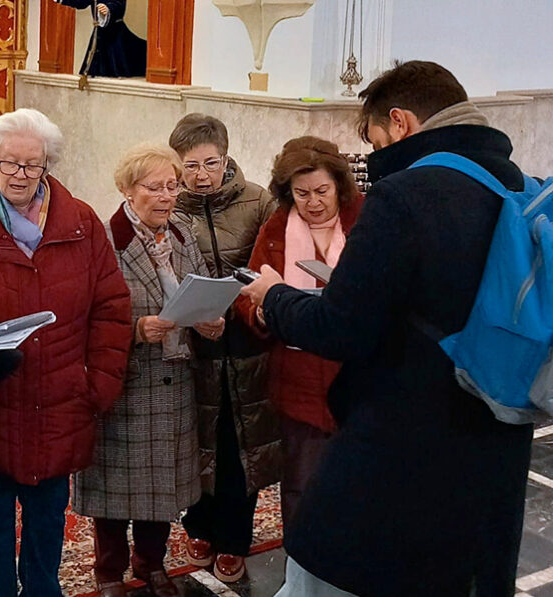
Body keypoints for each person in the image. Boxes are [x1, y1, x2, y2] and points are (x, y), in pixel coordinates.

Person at [241, 61, 535, 597]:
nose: (376, 158)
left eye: (376, 141)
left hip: (406, 446)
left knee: (332, 574)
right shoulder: (513, 181)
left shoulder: (404, 195)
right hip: (495, 434)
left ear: (400, 123)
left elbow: (342, 329)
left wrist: (273, 296)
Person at [0, 108, 133, 597]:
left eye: (31, 165)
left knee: (47, 517)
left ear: (47, 166)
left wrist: (97, 384)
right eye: (8, 164)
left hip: (62, 397)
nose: (19, 175)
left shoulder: (80, 222)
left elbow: (111, 308)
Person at [72, 144, 225, 597]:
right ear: (126, 189)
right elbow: (83, 317)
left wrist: (211, 320)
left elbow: (200, 284)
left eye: (172, 186)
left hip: (176, 378)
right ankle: (108, 572)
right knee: (115, 489)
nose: (166, 196)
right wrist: (136, 330)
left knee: (162, 485)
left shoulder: (181, 233)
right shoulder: (104, 240)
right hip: (126, 383)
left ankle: (151, 564)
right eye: (154, 187)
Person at [169, 113, 281, 582]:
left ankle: (234, 539)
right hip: (196, 345)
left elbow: (273, 264)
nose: (200, 175)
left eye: (210, 163)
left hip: (248, 341)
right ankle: (198, 526)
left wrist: (242, 306)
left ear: (226, 156)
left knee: (241, 444)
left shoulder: (258, 201)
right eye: (189, 166)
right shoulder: (169, 204)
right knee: (198, 441)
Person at [233, 136, 362, 530]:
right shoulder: (276, 228)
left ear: (339, 185)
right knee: (302, 484)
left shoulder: (367, 221)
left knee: (358, 485)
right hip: (298, 375)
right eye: (301, 194)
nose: (314, 202)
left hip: (358, 378)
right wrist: (263, 312)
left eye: (322, 191)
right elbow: (249, 295)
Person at [55, 0, 147, 78]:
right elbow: (81, 1)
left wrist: (108, 9)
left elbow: (119, 4)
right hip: (99, 34)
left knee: (116, 71)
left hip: (116, 36)